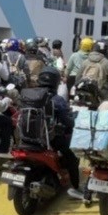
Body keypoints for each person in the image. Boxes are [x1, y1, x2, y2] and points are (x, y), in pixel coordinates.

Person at [34, 68, 84, 199]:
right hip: (49, 140)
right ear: (55, 82)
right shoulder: (57, 99)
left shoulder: (29, 95)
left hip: (27, 139)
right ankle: (76, 188)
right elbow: (68, 122)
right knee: (73, 159)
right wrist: (74, 119)